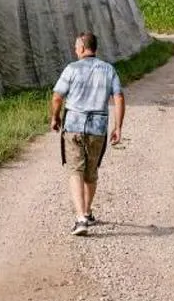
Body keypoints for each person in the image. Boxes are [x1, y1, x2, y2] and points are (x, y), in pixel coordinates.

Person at [50, 31, 125, 236]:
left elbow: (57, 97)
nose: (75, 50)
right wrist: (118, 127)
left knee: (76, 170)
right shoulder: (108, 69)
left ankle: (81, 218)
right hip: (97, 129)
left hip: (73, 126)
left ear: (82, 48)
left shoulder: (71, 69)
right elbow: (118, 97)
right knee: (91, 173)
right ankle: (87, 212)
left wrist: (55, 117)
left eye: (76, 47)